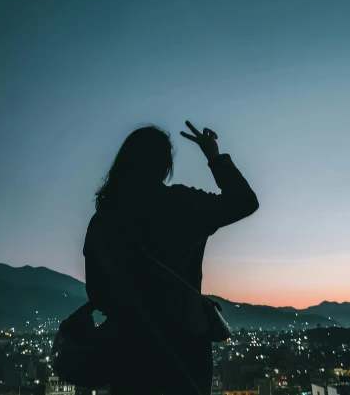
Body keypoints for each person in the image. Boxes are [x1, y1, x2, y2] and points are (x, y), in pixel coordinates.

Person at [83, 122, 259, 395]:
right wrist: (213, 155)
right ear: (165, 166)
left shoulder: (105, 220)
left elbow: (96, 291)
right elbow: (245, 201)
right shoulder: (182, 204)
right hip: (186, 344)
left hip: (130, 348)